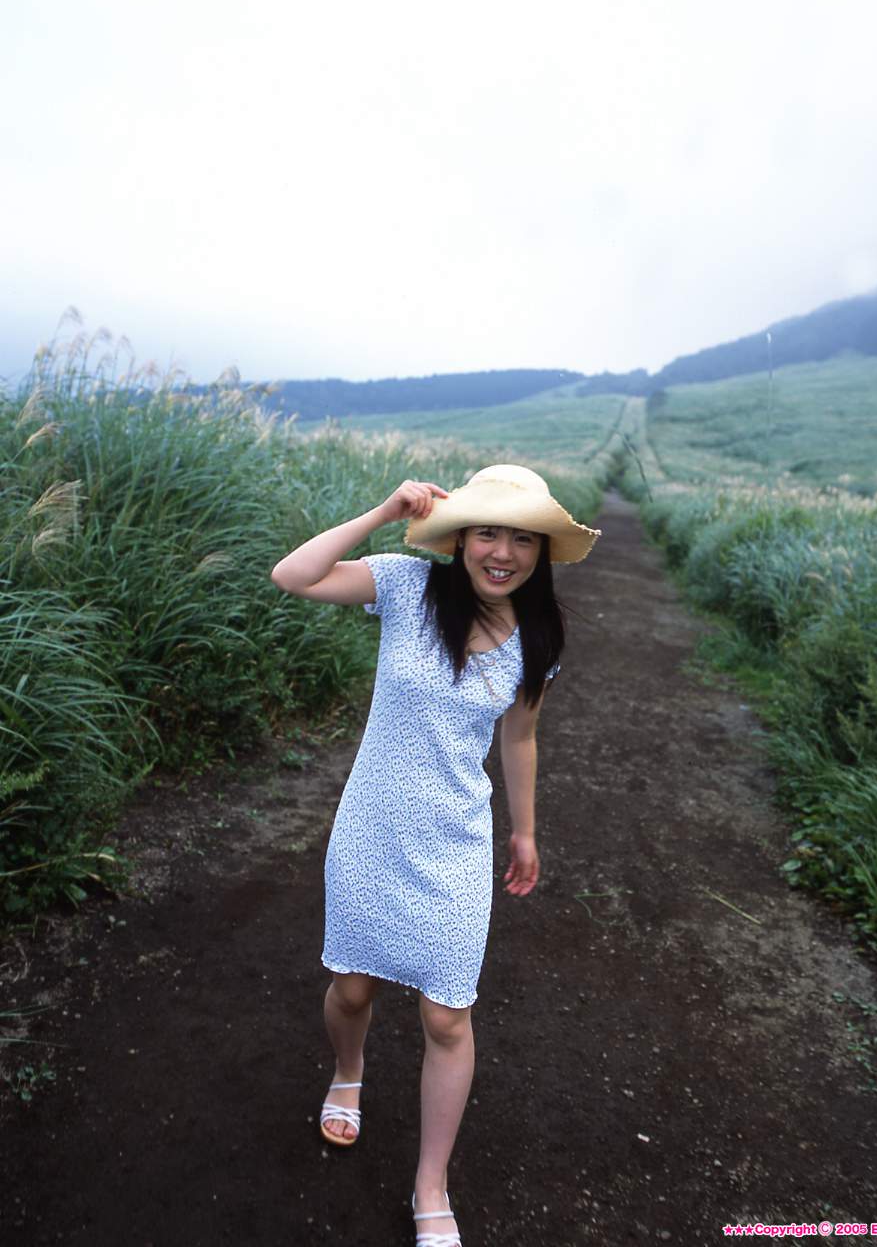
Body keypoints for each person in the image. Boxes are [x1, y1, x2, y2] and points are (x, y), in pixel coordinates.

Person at [270, 463, 600, 1247]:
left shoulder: (539, 637)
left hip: (454, 839)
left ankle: (430, 1185)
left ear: (541, 552)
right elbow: (293, 575)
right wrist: (383, 511)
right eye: (488, 533)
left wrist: (524, 831)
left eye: (523, 539)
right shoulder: (405, 587)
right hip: (371, 829)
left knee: (447, 1015)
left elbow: (519, 737)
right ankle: (348, 1072)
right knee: (353, 988)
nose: (503, 553)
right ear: (458, 538)